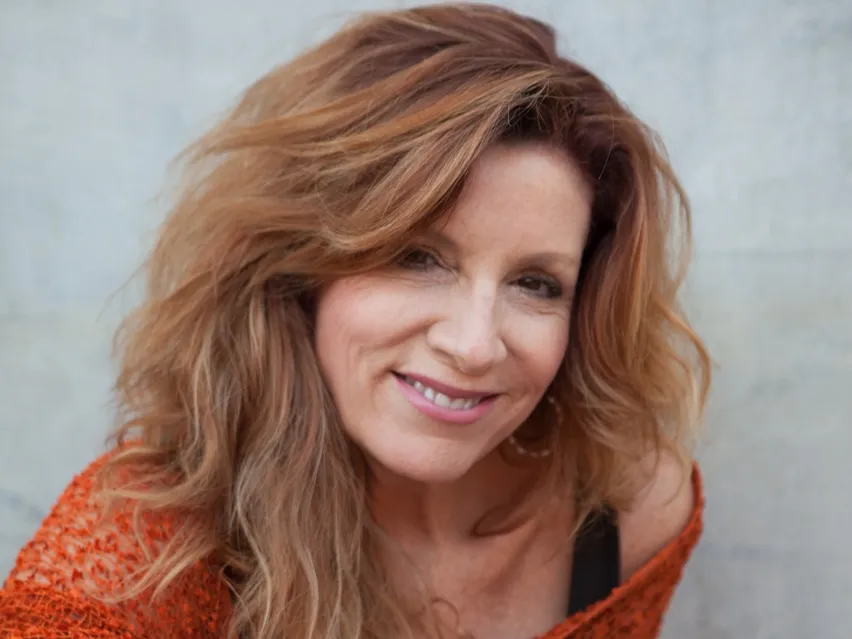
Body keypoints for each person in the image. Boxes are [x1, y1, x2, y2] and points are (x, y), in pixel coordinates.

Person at [0, 3, 711, 638]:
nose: (473, 345)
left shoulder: (629, 507)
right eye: (418, 258)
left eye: (535, 283)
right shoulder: (132, 562)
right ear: (298, 264)